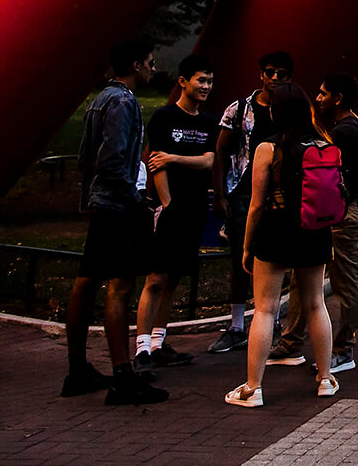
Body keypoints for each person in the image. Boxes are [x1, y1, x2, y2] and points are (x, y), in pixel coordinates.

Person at [63, 39, 168, 405]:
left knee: (86, 281)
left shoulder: (100, 99)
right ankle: (123, 376)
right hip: (118, 207)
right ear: (136, 64)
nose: (153, 69)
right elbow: (111, 162)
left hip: (99, 204)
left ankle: (78, 368)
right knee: (120, 286)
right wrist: (135, 200)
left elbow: (85, 159)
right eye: (150, 63)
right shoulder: (123, 101)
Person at [225, 83, 339, 407]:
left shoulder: (268, 148)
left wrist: (247, 246)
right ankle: (326, 378)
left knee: (265, 308)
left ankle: (253, 387)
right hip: (315, 229)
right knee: (316, 303)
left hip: (276, 229)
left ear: (276, 111)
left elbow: (256, 204)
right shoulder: (322, 144)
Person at [270, 73, 358, 375]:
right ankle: (292, 342)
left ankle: (343, 348)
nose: (318, 98)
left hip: (342, 213)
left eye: (324, 94)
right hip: (340, 211)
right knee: (306, 277)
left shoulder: (341, 133)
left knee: (342, 280)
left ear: (338, 99)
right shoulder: (356, 126)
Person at [133, 55, 215, 371]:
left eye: (209, 81)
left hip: (195, 210)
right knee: (155, 277)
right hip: (170, 209)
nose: (206, 86)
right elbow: (155, 164)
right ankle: (141, 348)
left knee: (174, 279)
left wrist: (175, 157)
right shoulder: (164, 117)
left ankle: (159, 341)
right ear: (183, 81)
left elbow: (208, 161)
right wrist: (167, 205)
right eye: (201, 80)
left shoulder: (207, 122)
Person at [208, 50, 291, 353]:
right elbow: (220, 151)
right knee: (240, 258)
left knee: (274, 257)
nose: (275, 78)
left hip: (279, 192)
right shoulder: (240, 109)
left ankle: (269, 318)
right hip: (243, 189)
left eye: (281, 74)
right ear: (261, 74)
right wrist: (219, 194)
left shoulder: (290, 111)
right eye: (270, 72)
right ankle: (236, 325)